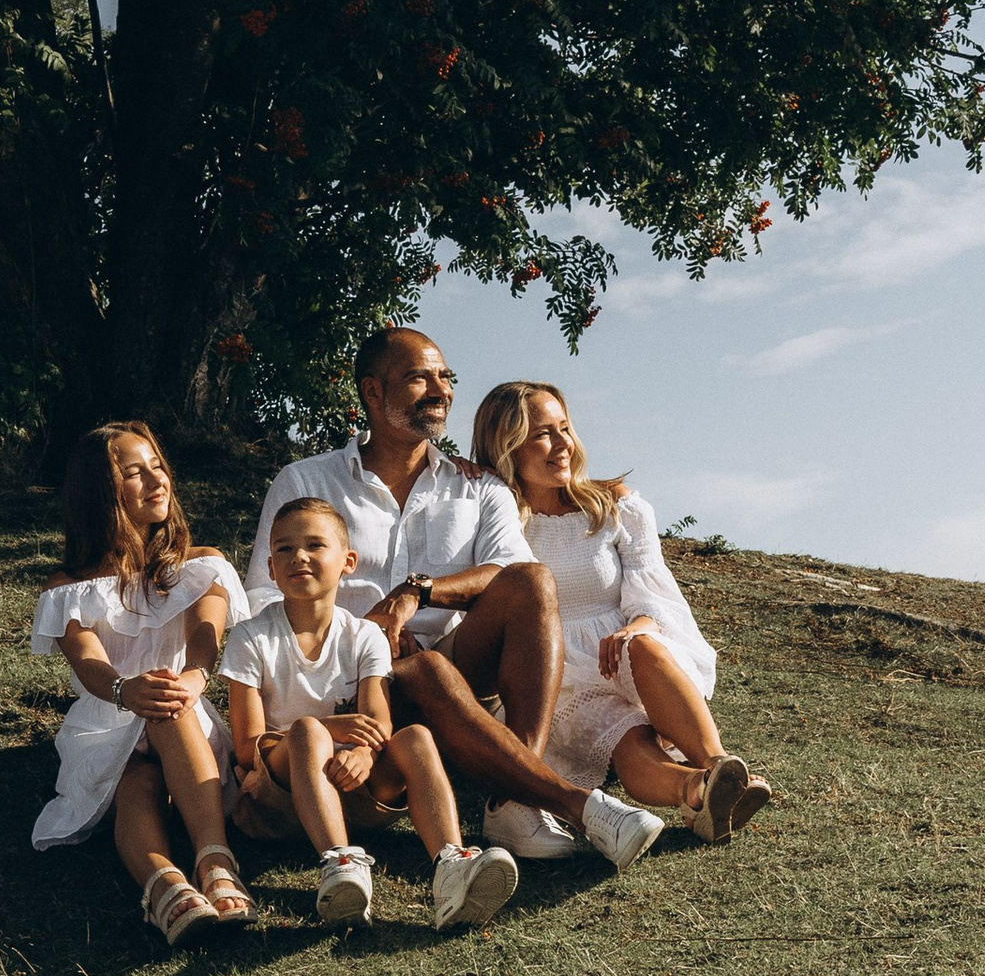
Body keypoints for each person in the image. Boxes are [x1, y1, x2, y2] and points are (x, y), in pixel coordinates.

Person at [248, 328, 665, 873]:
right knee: (423, 668)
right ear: (372, 392)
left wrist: (415, 593)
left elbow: (510, 571)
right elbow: (261, 595)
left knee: (531, 584)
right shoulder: (306, 481)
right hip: (342, 688)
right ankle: (566, 802)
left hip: (452, 671)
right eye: (419, 377)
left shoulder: (478, 487)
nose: (440, 389)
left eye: (444, 377)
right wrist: (355, 637)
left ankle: (511, 803)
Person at [470, 383, 776, 838]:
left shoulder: (612, 504)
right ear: (507, 446)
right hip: (556, 670)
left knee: (644, 647)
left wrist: (634, 628)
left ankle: (718, 766)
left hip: (626, 650)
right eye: (543, 435)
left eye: (565, 428)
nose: (563, 445)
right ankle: (698, 793)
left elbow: (654, 596)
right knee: (626, 736)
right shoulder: (496, 521)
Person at [226, 496, 522, 934]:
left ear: (348, 561)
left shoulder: (365, 635)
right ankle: (340, 863)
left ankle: (451, 868)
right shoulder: (252, 636)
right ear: (270, 568)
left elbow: (379, 720)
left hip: (357, 790)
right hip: (278, 800)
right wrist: (327, 729)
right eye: (284, 549)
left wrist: (365, 753)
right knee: (308, 731)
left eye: (314, 545)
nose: (299, 557)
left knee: (416, 736)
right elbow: (248, 747)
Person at [30, 420, 254, 944]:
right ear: (100, 492)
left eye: (158, 467)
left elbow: (205, 638)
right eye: (135, 473)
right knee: (137, 780)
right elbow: (88, 662)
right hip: (106, 720)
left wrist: (193, 679)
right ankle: (167, 887)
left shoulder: (201, 566)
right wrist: (122, 690)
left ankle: (211, 862)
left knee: (167, 705)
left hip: (185, 710)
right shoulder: (68, 588)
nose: (157, 481)